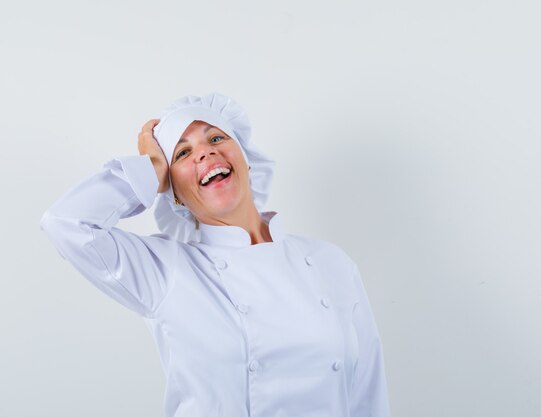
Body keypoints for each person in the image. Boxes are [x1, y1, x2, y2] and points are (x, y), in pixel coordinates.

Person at [40, 93, 391, 417]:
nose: (205, 153)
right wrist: (150, 166)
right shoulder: (166, 269)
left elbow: (367, 396)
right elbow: (66, 223)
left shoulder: (330, 263)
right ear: (173, 193)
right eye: (181, 153)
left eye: (216, 138)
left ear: (247, 160)